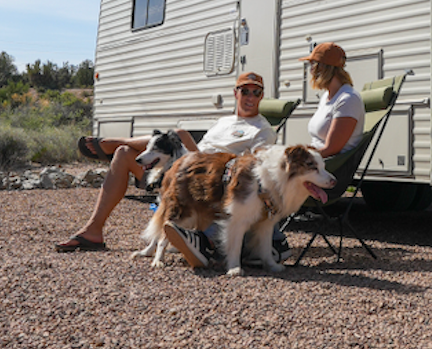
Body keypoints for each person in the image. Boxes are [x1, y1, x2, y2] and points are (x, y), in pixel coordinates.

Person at [55, 71, 275, 253]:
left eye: (256, 93)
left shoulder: (262, 129)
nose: (250, 97)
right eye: (245, 91)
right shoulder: (223, 121)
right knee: (123, 154)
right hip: (191, 166)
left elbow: (255, 167)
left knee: (178, 133)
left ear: (262, 97)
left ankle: (110, 143)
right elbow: (200, 151)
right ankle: (93, 231)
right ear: (235, 93)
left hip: (215, 178)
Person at [303, 42, 364, 156]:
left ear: (322, 68)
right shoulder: (326, 96)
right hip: (316, 161)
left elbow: (330, 150)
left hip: (328, 167)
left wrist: (302, 157)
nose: (310, 71)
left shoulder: (348, 99)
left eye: (312, 64)